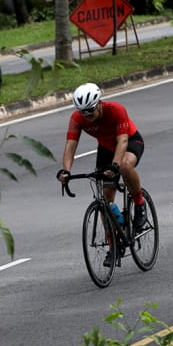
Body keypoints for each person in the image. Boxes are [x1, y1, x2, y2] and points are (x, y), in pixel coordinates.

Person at [56, 83, 148, 266]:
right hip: (106, 148)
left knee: (124, 165)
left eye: (90, 110)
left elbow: (122, 140)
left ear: (98, 103)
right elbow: (71, 145)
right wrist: (66, 170)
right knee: (106, 200)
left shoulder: (116, 110)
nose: (87, 115)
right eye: (83, 112)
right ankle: (114, 248)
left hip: (129, 141)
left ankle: (139, 204)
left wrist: (114, 166)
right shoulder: (77, 118)